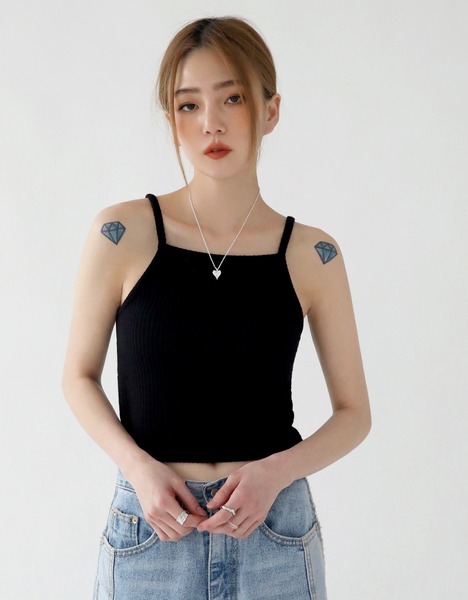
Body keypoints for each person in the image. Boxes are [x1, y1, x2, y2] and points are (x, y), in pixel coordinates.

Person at [61, 15, 371, 600]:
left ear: (270, 111)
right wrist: (139, 469)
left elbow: (355, 414)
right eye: (189, 105)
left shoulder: (313, 254)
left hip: (273, 532)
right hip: (151, 531)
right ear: (171, 119)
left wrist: (274, 473)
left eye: (232, 98)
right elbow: (78, 376)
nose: (211, 123)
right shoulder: (122, 233)